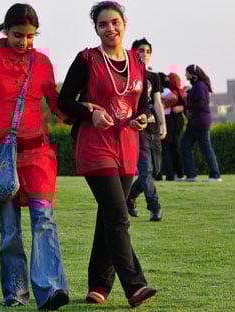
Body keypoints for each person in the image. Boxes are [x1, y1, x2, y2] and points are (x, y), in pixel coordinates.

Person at [0, 3, 69, 309]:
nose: (23, 41)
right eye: (17, 34)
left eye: (29, 36)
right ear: (5, 30)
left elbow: (57, 105)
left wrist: (87, 109)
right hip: (2, 157)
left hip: (38, 154)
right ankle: (15, 291)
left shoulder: (42, 62)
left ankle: (51, 289)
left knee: (44, 219)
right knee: (10, 229)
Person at [58, 1, 156, 307]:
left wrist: (142, 119)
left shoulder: (138, 63)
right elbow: (64, 102)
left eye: (114, 22)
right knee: (118, 213)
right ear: (96, 29)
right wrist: (89, 110)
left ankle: (98, 286)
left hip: (127, 145)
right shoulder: (87, 59)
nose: (110, 28)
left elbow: (141, 106)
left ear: (125, 23)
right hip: (95, 144)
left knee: (109, 215)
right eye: (103, 24)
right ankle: (134, 285)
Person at [127, 38, 166, 221]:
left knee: (156, 170)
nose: (145, 54)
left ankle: (130, 196)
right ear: (134, 52)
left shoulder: (154, 77)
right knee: (146, 170)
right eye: (141, 51)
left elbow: (157, 102)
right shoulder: (127, 74)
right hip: (138, 129)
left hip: (153, 128)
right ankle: (154, 207)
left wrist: (162, 123)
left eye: (148, 51)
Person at [181, 65, 222, 182]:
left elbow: (200, 104)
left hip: (200, 122)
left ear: (193, 75)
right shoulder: (197, 86)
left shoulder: (200, 86)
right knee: (185, 146)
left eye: (187, 73)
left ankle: (215, 175)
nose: (185, 75)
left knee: (206, 148)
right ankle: (191, 175)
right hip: (195, 122)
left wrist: (185, 105)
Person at [161, 72, 186, 181]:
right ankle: (178, 173)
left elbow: (175, 100)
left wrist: (162, 105)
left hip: (174, 120)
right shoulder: (179, 91)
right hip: (177, 120)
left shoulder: (173, 92)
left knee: (173, 147)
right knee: (174, 147)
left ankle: (177, 173)